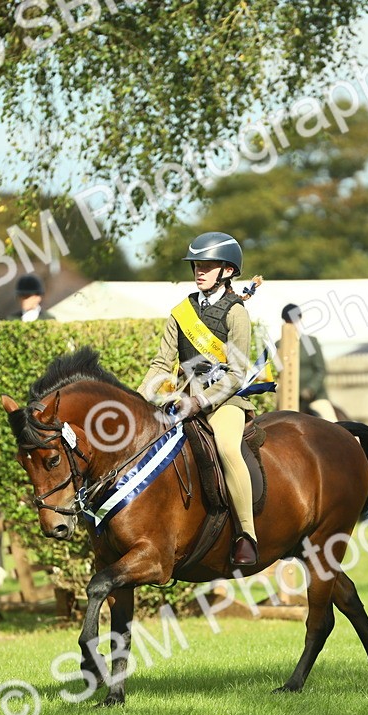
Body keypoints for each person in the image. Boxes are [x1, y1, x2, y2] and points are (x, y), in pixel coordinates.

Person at [138, 231, 259, 567]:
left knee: (226, 447)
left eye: (208, 265)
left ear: (228, 271)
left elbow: (237, 374)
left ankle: (246, 534)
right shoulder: (181, 312)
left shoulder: (236, 313)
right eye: (196, 265)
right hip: (182, 398)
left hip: (224, 401)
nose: (199, 270)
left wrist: (199, 402)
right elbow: (161, 365)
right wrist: (136, 401)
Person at [279, 304, 337, 422]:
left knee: (333, 422)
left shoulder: (308, 342)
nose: (291, 324)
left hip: (314, 397)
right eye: (288, 321)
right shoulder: (279, 345)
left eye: (294, 321)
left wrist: (311, 389)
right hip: (287, 399)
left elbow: (320, 369)